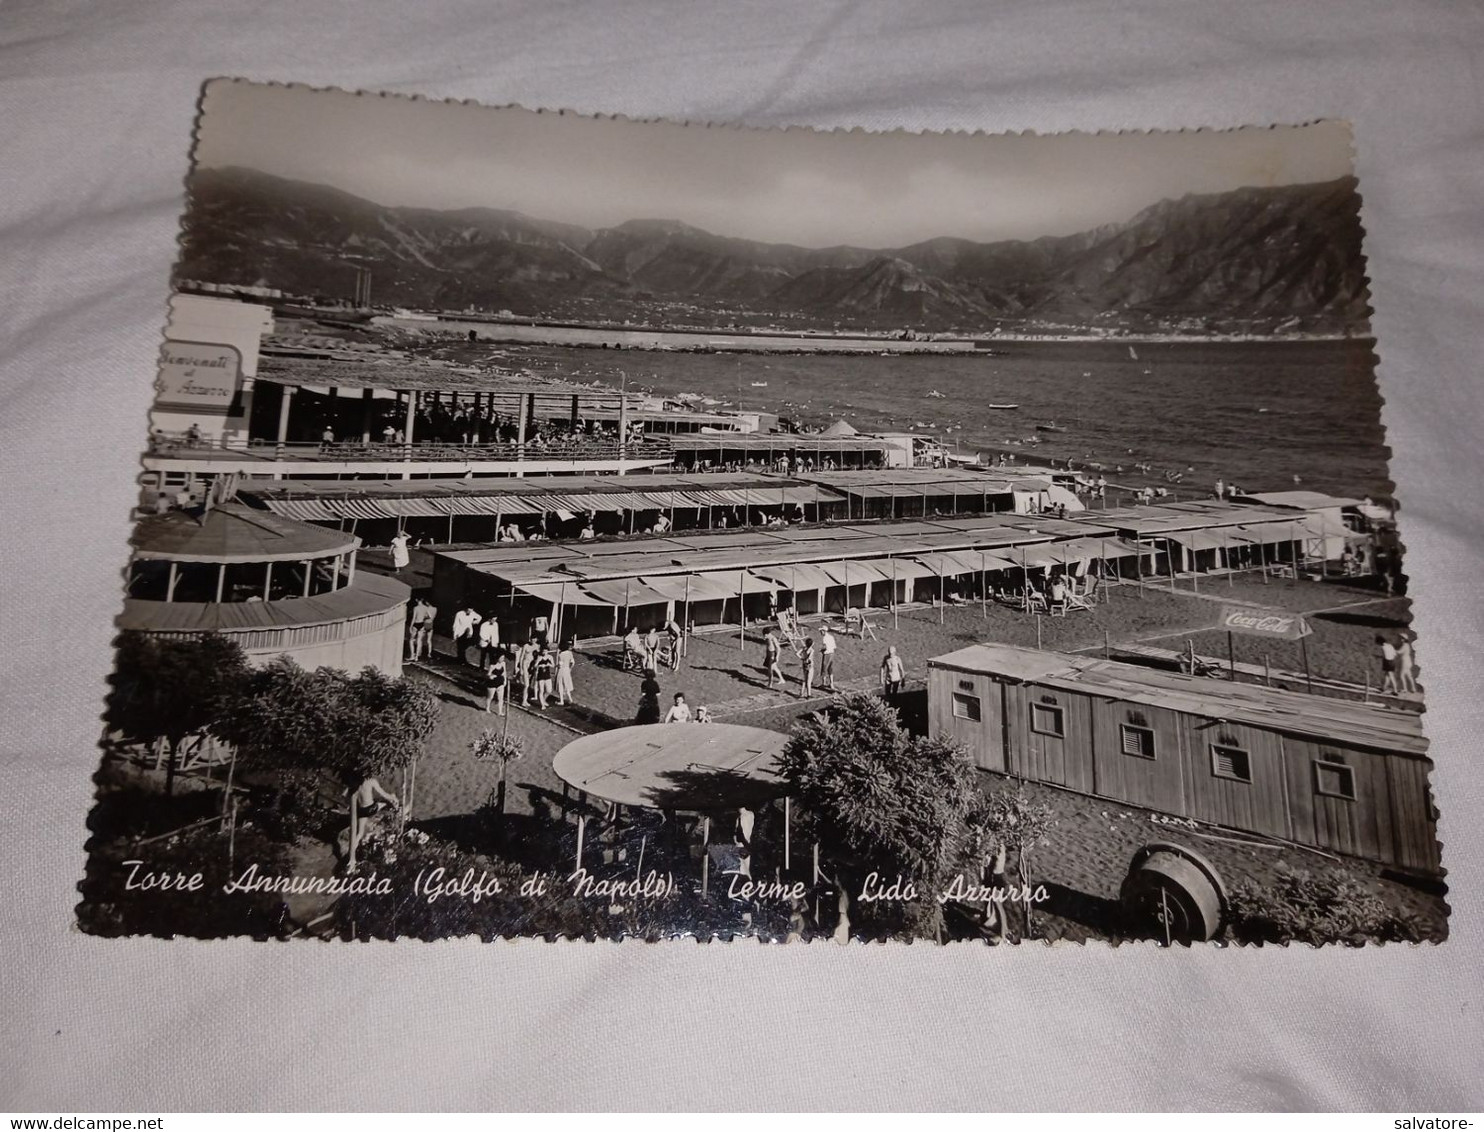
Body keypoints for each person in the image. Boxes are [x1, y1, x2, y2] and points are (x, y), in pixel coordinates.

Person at [555, 640, 576, 706]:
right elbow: (573, 662)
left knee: (560, 684)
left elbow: (560, 664)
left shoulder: (561, 654)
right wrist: (570, 669)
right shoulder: (570, 653)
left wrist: (556, 666)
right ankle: (570, 699)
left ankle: (561, 701)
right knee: (567, 684)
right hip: (567, 670)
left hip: (561, 670)